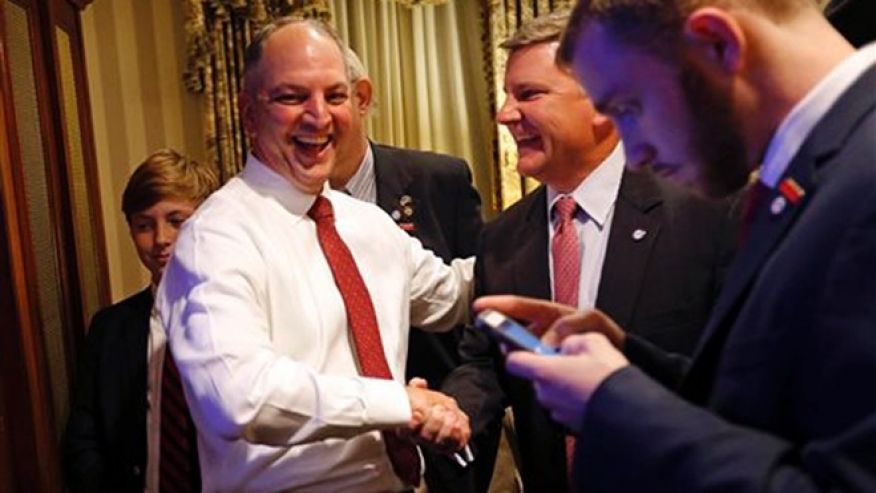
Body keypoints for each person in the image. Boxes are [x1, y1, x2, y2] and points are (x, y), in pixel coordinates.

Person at [489, 1, 876, 492]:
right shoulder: (811, 173)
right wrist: (630, 359)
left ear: (716, 43)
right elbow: (777, 407)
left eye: (630, 107)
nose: (636, 151)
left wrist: (619, 404)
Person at [155, 18, 474, 492]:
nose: (319, 116)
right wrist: (400, 404)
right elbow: (240, 396)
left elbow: (452, 295)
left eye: (335, 96)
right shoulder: (216, 238)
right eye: (292, 97)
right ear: (247, 113)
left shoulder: (366, 225)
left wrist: (553, 215)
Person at [439, 11, 737, 492]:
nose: (505, 114)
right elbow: (487, 363)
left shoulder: (706, 211)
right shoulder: (503, 237)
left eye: (529, 94)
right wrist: (450, 411)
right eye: (507, 95)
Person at [329, 47, 485, 493]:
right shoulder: (271, 218)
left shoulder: (438, 180)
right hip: (342, 453)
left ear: (362, 98)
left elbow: (461, 298)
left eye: (332, 97)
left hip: (445, 432)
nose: (315, 117)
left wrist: (465, 403)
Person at [63, 148, 219, 492]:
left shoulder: (241, 315)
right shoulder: (108, 329)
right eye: (144, 225)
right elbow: (84, 439)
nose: (161, 239)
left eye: (177, 221)